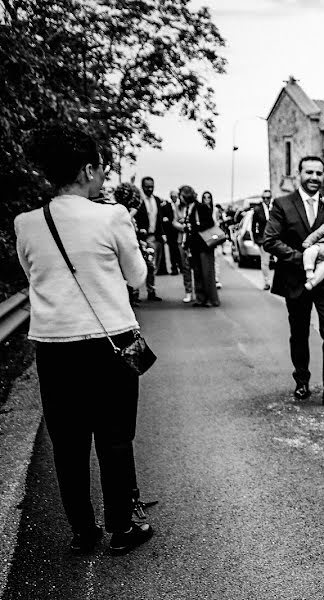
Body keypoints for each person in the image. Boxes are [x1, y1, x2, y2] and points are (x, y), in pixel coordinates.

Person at [14, 124, 155, 554]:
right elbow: (138, 276)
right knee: (114, 437)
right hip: (109, 343)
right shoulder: (111, 215)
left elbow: (31, 275)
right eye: (101, 169)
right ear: (88, 169)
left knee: (68, 444)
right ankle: (122, 528)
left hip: (54, 347)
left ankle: (82, 529)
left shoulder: (26, 222)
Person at [263, 156, 324, 411]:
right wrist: (301, 257)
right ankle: (301, 379)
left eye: (318, 173)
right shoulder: (282, 204)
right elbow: (270, 240)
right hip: (296, 280)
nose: (314, 177)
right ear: (299, 174)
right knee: (299, 333)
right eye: (309, 172)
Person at [185, 186, 220, 307]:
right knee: (198, 273)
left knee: (207, 273)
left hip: (205, 246)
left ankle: (210, 299)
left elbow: (210, 223)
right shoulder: (189, 209)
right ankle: (200, 298)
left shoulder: (200, 207)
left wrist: (196, 227)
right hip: (195, 246)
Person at [133, 176, 165, 299]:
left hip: (155, 237)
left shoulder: (157, 200)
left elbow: (159, 220)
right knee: (139, 265)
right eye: (147, 187)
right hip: (142, 238)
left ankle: (151, 291)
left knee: (153, 266)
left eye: (152, 187)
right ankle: (135, 293)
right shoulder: (138, 201)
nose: (150, 189)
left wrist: (162, 234)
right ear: (142, 187)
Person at [171, 188, 195, 303]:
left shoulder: (194, 207)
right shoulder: (178, 208)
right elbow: (174, 222)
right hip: (181, 239)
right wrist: (183, 226)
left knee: (196, 266)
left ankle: (199, 290)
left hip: (193, 240)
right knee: (185, 267)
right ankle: (188, 291)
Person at [252, 189, 274, 290]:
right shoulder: (257, 210)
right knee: (265, 262)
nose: (266, 200)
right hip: (263, 239)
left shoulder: (275, 208)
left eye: (268, 198)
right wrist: (256, 239)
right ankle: (267, 282)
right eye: (264, 198)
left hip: (276, 238)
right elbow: (254, 226)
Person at [200, 191, 222, 289]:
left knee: (216, 258)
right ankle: (206, 279)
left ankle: (216, 279)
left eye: (209, 197)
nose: (207, 199)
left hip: (214, 236)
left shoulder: (215, 210)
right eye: (205, 197)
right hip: (204, 237)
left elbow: (217, 223)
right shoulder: (200, 210)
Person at [164, 190, 182, 275]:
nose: (174, 198)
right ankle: (174, 267)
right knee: (172, 250)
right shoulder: (166, 206)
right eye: (172, 196)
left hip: (180, 231)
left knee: (180, 249)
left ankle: (182, 266)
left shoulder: (181, 206)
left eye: (175, 196)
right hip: (171, 231)